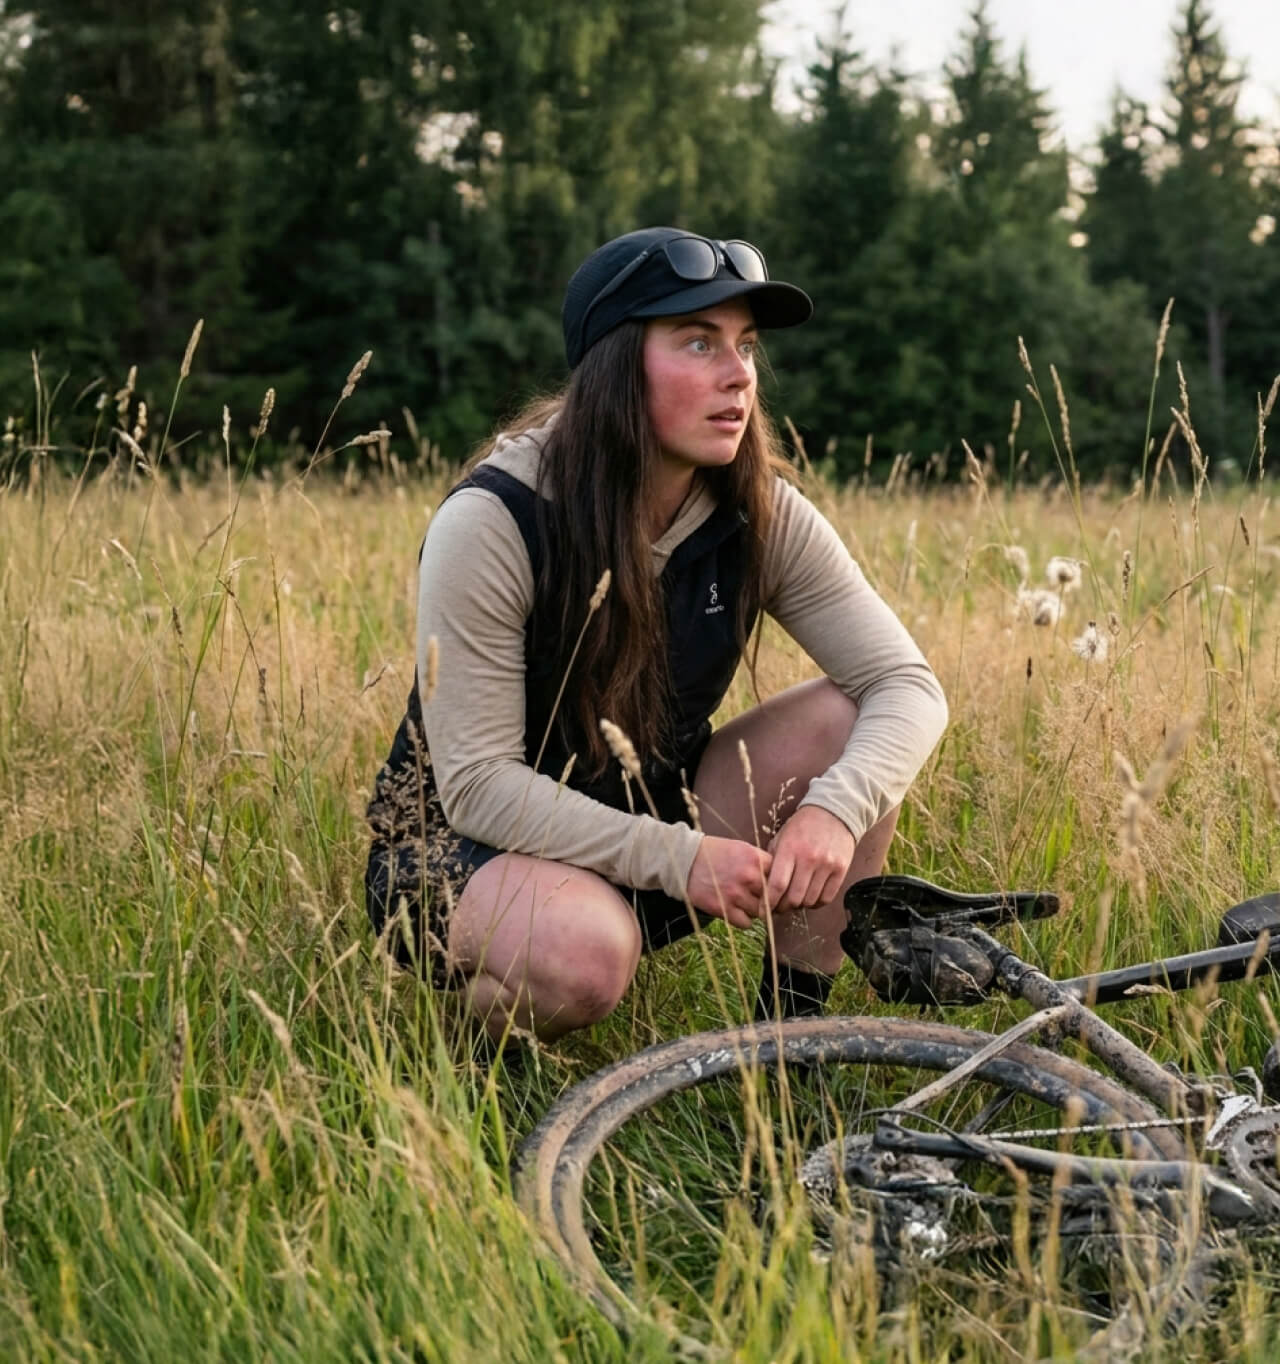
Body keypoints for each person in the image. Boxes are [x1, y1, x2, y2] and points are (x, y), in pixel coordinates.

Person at [365, 226, 948, 1044]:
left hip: (654, 815)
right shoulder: (497, 518)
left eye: (745, 346)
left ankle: (792, 1057)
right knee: (587, 955)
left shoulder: (760, 513)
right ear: (615, 365)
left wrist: (835, 812)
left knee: (851, 728)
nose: (739, 373)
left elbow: (907, 685)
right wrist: (678, 860)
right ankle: (461, 1059)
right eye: (698, 342)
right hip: (465, 853)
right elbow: (477, 786)